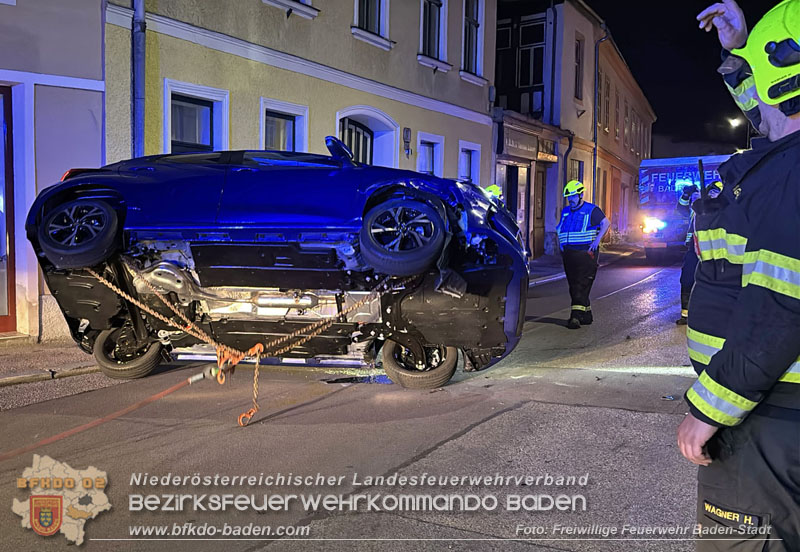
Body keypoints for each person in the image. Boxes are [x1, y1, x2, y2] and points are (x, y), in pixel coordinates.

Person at [678, 1, 800, 549]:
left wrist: (710, 409)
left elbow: (780, 308)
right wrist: (737, 51)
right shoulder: (786, 156)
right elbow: (767, 113)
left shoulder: (791, 172)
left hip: (766, 418)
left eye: (756, 70)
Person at [555, 180, 610, 329]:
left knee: (582, 283)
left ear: (580, 195)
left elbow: (606, 223)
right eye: (569, 197)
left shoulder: (592, 209)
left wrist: (597, 241)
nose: (571, 200)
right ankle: (586, 314)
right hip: (569, 252)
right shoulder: (566, 211)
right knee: (573, 283)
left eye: (573, 196)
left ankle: (575, 317)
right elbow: (561, 227)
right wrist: (561, 242)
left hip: (586, 252)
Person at [675, 182, 722, 326]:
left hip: (715, 251)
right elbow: (681, 210)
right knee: (687, 279)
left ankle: (713, 313)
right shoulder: (698, 208)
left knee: (713, 281)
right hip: (693, 250)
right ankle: (686, 314)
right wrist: (686, 195)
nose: (712, 194)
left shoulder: (724, 209)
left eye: (715, 192)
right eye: (710, 191)